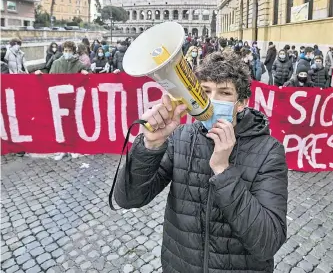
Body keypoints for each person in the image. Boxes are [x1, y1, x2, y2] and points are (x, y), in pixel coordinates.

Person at [112, 51, 288, 273]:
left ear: (241, 102)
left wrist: (224, 171)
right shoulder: (181, 137)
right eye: (205, 91)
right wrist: (150, 146)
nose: (212, 101)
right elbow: (128, 199)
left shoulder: (269, 151)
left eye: (224, 92)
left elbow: (268, 243)